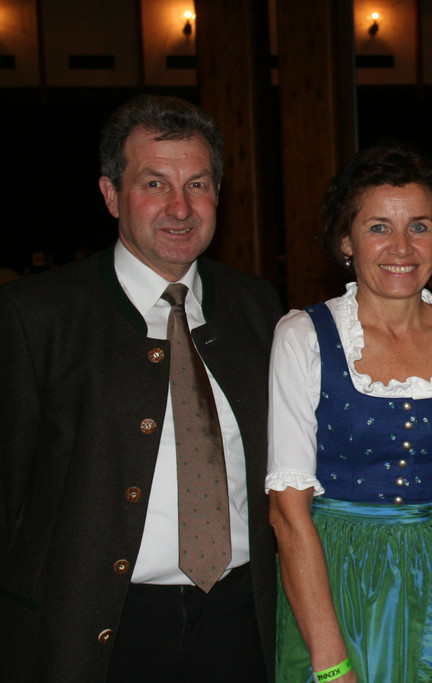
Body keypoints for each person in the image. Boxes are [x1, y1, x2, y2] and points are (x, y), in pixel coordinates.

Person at [0, 94, 282, 681]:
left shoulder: (257, 307)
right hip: (98, 629)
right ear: (111, 195)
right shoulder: (36, 315)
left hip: (239, 622)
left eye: (197, 185)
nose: (180, 207)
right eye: (155, 184)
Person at [267, 143, 432, 683]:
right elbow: (287, 514)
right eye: (378, 227)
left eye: (419, 227)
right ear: (346, 240)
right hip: (340, 584)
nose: (401, 247)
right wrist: (330, 662)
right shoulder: (304, 337)